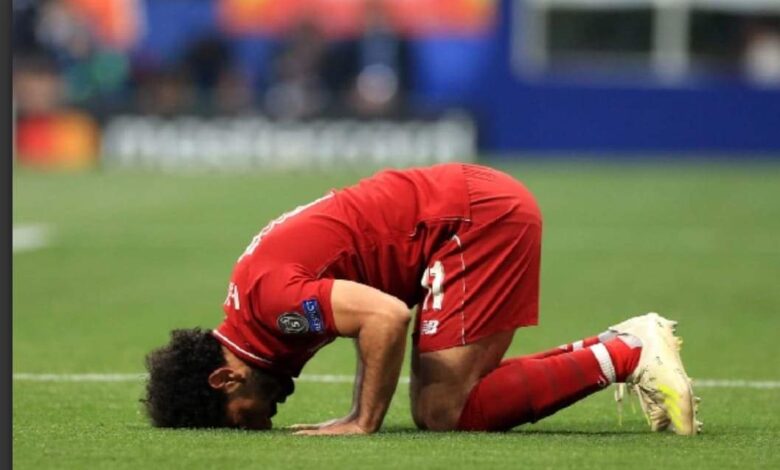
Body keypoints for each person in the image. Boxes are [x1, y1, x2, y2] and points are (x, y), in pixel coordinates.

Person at [144, 163, 701, 435]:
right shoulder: (253, 310)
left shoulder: (272, 310)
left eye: (240, 421)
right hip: (467, 210)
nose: (261, 425)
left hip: (472, 222)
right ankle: (622, 346)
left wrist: (361, 420)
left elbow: (386, 317)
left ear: (225, 379)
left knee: (441, 411)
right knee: (454, 398)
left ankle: (629, 352)